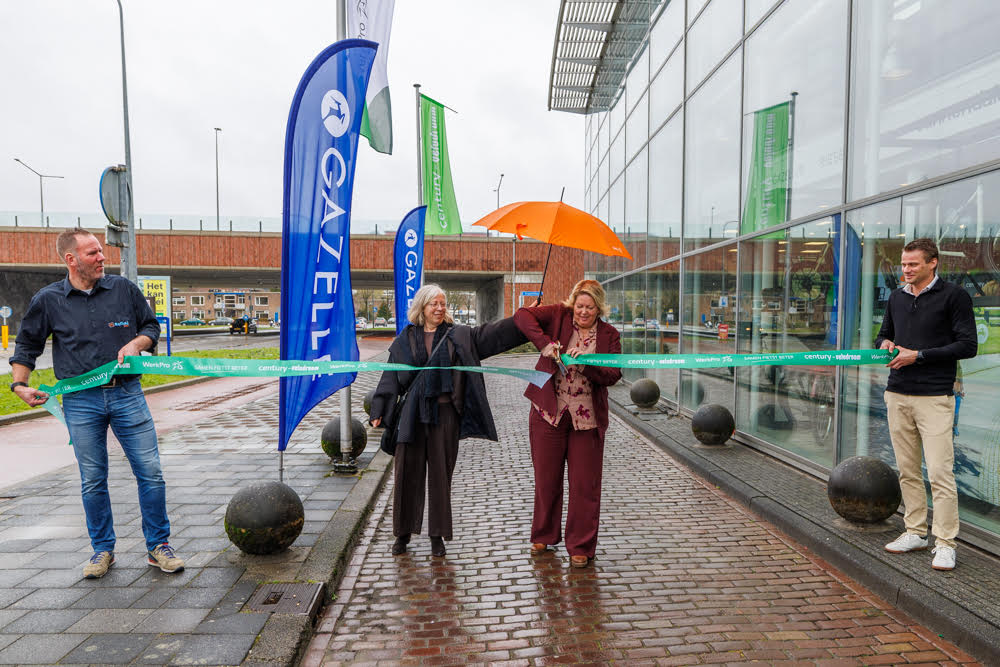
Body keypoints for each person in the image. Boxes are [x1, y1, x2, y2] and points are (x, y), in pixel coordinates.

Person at [9, 228, 185, 579]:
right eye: (93, 253)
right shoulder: (48, 300)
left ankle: (158, 546)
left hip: (127, 394)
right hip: (79, 401)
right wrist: (19, 385)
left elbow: (151, 327)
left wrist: (137, 344)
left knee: (150, 473)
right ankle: (102, 550)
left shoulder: (123, 290)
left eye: (101, 251)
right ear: (71, 259)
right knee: (92, 478)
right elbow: (28, 345)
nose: (103, 257)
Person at [369, 284, 526, 557]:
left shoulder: (459, 336)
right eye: (434, 304)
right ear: (422, 307)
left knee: (441, 476)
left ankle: (437, 536)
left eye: (443, 304)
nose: (440, 308)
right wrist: (379, 408)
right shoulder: (405, 339)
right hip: (412, 417)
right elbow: (390, 376)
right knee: (406, 473)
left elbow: (493, 334)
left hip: (444, 416)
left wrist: (523, 320)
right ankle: (402, 535)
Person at [876, 237, 977, 571]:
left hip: (934, 397)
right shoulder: (896, 298)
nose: (906, 270)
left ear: (933, 263)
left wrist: (917, 356)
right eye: (904, 264)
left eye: (913, 264)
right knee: (907, 470)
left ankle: (945, 542)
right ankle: (915, 532)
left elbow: (967, 345)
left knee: (939, 472)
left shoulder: (955, 297)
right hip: (898, 394)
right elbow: (883, 335)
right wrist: (886, 343)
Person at [513, 279, 622, 568]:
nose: (583, 312)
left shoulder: (610, 335)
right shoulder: (558, 315)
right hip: (549, 411)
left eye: (590, 307)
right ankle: (543, 534)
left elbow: (613, 374)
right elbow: (522, 317)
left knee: (585, 484)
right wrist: (545, 343)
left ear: (599, 308)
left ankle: (581, 546)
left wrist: (588, 364)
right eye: (580, 306)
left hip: (587, 418)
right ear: (573, 303)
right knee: (546, 479)